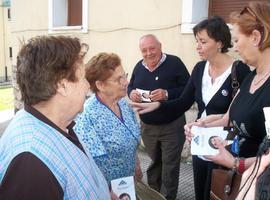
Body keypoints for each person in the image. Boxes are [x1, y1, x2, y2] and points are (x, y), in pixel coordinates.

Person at [131, 17, 250, 200]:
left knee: (221, 192)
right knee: (200, 191)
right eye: (197, 41)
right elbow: (184, 102)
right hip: (200, 142)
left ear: (219, 42)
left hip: (226, 147)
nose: (198, 46)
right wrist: (159, 104)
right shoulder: (200, 68)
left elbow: (246, 112)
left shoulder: (240, 71)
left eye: (203, 41)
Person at [0, 36, 110, 199]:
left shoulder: (57, 123)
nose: (88, 85)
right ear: (62, 86)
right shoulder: (30, 164)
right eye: (83, 78)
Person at [183, 1, 270, 199]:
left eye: (238, 40)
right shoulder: (251, 77)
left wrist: (235, 163)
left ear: (256, 38)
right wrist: (201, 125)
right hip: (232, 177)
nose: (236, 47)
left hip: (257, 186)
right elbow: (228, 118)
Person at [128, 34, 190, 200]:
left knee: (170, 165)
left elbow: (189, 89)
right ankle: (153, 195)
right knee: (155, 162)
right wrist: (131, 93)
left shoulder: (174, 63)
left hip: (172, 125)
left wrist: (167, 94)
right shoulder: (138, 67)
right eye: (144, 50)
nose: (148, 53)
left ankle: (168, 197)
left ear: (160, 46)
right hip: (148, 126)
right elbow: (131, 86)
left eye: (152, 48)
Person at [74, 53, 142, 185]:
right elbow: (89, 163)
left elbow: (131, 141)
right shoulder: (88, 115)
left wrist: (136, 165)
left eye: (125, 76)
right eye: (118, 79)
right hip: (107, 188)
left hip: (128, 184)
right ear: (100, 85)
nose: (126, 82)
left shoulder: (123, 104)